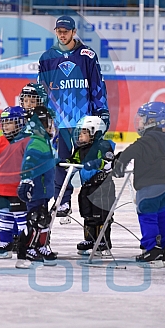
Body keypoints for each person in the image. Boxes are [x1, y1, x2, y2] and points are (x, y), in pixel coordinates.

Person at [38, 15, 110, 221]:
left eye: (65, 31)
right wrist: (42, 114)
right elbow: (42, 88)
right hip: (59, 121)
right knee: (59, 162)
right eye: (58, 31)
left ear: (73, 32)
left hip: (83, 121)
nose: (62, 34)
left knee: (89, 163)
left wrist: (101, 110)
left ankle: (93, 205)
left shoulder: (87, 55)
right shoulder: (47, 57)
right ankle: (63, 200)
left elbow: (97, 85)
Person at [113, 102, 165, 268]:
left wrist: (119, 166)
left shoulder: (146, 141)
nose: (139, 122)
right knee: (161, 215)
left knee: (147, 215)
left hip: (150, 187)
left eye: (143, 119)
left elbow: (130, 152)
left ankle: (153, 249)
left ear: (152, 121)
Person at [66, 116, 116, 255]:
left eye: (84, 132)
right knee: (87, 213)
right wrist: (64, 163)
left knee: (101, 214)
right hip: (87, 186)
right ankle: (90, 239)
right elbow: (74, 161)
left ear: (95, 132)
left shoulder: (103, 145)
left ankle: (103, 241)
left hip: (102, 187)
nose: (80, 135)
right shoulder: (80, 149)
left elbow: (109, 162)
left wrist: (96, 163)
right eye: (80, 132)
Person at [0, 106, 29, 260]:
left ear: (21, 123)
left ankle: (25, 246)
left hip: (19, 189)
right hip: (2, 188)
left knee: (21, 219)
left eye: (9, 122)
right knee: (4, 218)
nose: (5, 126)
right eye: (3, 123)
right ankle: (5, 243)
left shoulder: (28, 141)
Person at [16, 106, 57, 268]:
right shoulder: (36, 144)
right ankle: (24, 250)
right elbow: (29, 164)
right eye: (48, 123)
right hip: (36, 190)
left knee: (43, 221)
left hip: (45, 190)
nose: (50, 126)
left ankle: (40, 246)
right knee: (34, 219)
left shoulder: (45, 142)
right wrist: (26, 181)